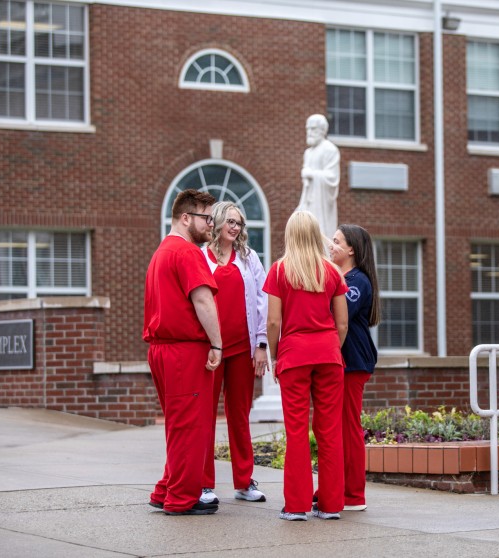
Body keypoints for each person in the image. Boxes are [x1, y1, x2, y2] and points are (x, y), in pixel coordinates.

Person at [263, 211, 348, 521]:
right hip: (328, 355)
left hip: (294, 356)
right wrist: (329, 349)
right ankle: (330, 505)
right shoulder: (332, 272)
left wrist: (274, 355)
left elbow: (273, 321)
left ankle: (297, 505)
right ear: (315, 234)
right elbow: (341, 324)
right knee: (329, 432)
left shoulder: (280, 270)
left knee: (296, 431)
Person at [143, 189, 223, 516]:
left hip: (162, 351)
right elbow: (203, 301)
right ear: (186, 218)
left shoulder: (161, 252)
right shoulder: (187, 253)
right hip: (184, 352)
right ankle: (181, 498)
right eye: (206, 218)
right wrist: (217, 343)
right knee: (190, 426)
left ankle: (166, 489)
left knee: (178, 425)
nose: (211, 225)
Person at [200, 201, 269, 505]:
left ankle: (244, 481)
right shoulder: (200, 256)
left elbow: (263, 300)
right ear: (215, 222)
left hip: (243, 348)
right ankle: (203, 483)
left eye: (239, 223)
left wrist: (262, 344)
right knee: (204, 416)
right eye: (229, 221)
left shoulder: (249, 258)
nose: (234, 227)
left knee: (239, 415)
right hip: (210, 350)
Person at [329, 224, 380, 512]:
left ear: (351, 249)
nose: (331, 245)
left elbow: (340, 316)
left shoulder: (357, 281)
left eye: (336, 241)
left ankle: (353, 494)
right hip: (341, 362)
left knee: (348, 427)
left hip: (352, 363)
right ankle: (334, 487)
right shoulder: (343, 277)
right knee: (333, 427)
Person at [297, 114, 340, 239]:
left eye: (313, 129)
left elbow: (332, 177)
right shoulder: (308, 153)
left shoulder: (329, 149)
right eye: (308, 129)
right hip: (308, 199)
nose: (309, 132)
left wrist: (311, 174)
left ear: (322, 131)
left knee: (319, 234)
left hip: (321, 204)